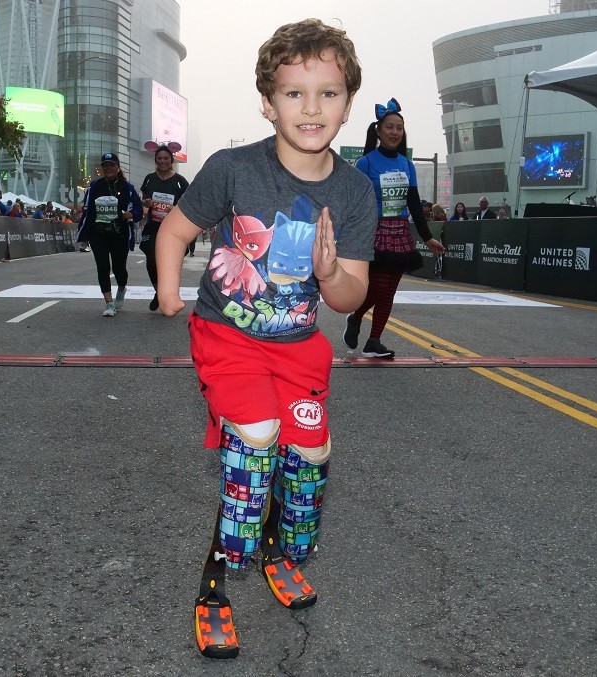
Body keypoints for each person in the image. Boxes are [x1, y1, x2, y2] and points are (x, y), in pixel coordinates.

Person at [154, 18, 376, 659]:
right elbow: (175, 230)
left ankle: (280, 552)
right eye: (294, 93)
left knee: (306, 457)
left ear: (348, 104)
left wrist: (330, 273)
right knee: (254, 446)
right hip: (229, 337)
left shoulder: (354, 190)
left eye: (328, 93)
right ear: (268, 102)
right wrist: (169, 291)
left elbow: (351, 297)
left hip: (300, 347)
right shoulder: (233, 169)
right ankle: (215, 589)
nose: (311, 108)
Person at [343, 98, 445, 357]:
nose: (395, 132)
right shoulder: (365, 163)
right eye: (389, 127)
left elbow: (413, 203)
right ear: (378, 131)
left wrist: (427, 237)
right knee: (378, 286)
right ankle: (356, 318)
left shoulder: (406, 164)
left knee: (389, 291)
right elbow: (355, 202)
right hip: (374, 231)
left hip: (399, 231)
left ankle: (373, 341)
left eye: (399, 127)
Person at [76, 152, 142, 317]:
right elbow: (87, 211)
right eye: (105, 165)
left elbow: (138, 209)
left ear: (118, 167)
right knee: (102, 267)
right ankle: (109, 303)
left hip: (119, 234)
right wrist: (83, 234)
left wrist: (130, 214)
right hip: (98, 234)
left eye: (111, 165)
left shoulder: (127, 187)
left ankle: (121, 288)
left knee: (119, 269)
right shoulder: (94, 186)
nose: (108, 168)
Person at [139, 144, 189, 311]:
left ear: (172, 160)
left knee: (169, 262)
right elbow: (144, 199)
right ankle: (158, 291)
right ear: (155, 160)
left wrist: (175, 208)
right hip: (153, 226)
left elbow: (188, 204)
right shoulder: (149, 178)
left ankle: (164, 294)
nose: (162, 161)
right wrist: (146, 203)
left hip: (173, 229)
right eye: (159, 158)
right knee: (151, 258)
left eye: (166, 158)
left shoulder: (180, 181)